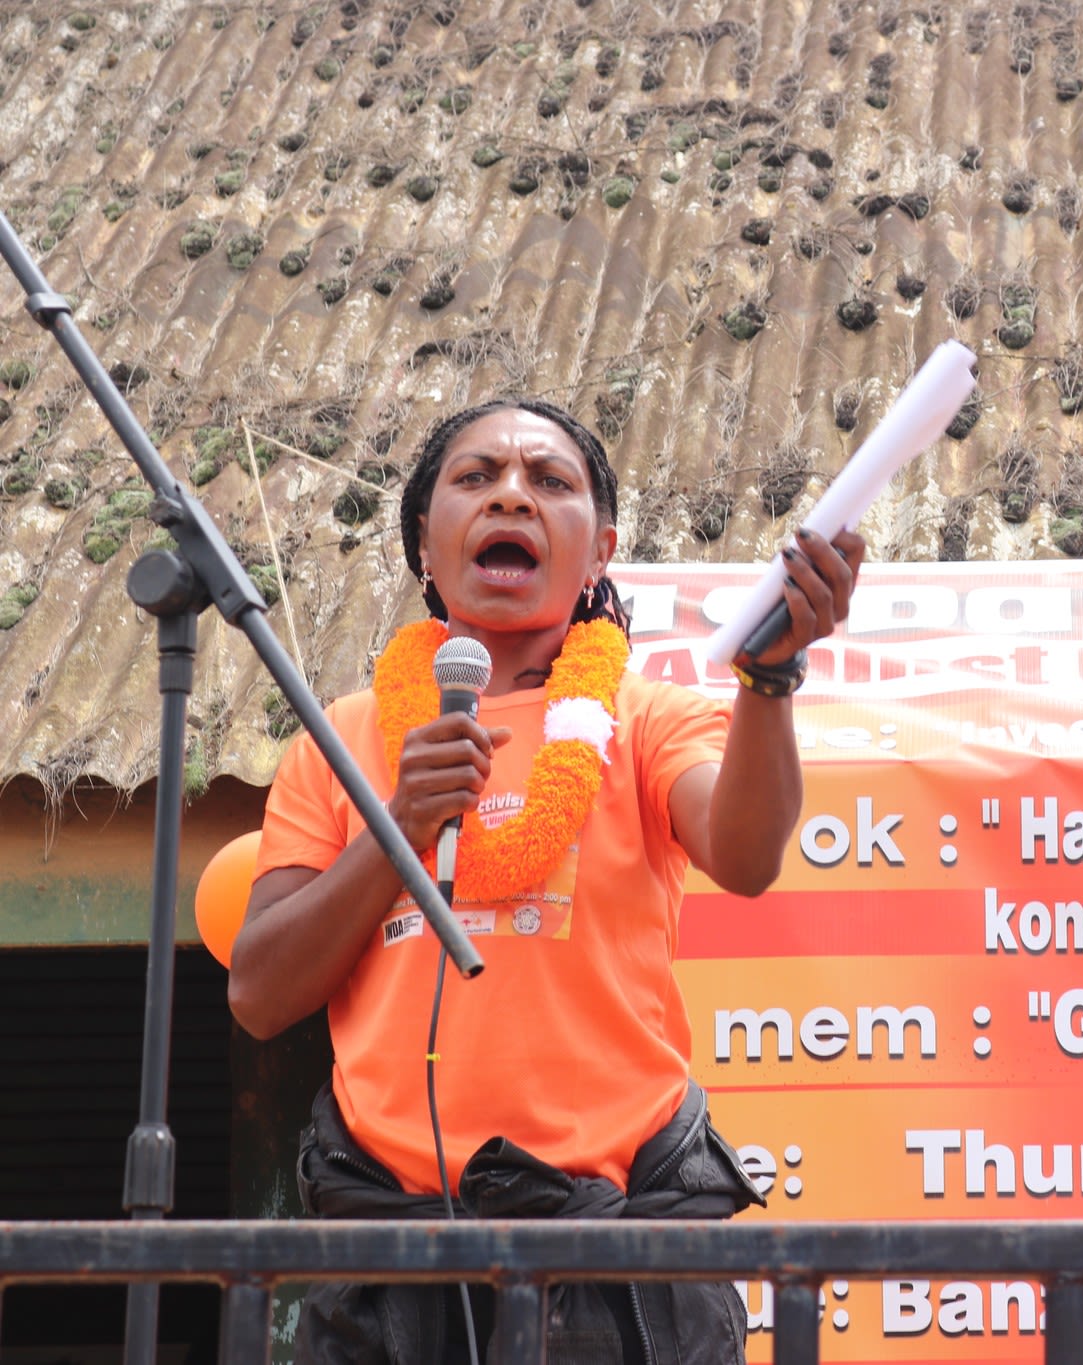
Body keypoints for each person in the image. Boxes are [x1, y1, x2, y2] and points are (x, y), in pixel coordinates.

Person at [227, 397, 863, 1365]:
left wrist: (769, 682)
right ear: (424, 548)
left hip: (616, 1252)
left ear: (598, 549)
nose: (511, 497)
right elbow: (260, 994)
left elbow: (745, 856)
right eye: (475, 479)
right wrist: (398, 821)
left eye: (549, 482)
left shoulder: (645, 716)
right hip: (392, 1257)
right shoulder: (340, 740)